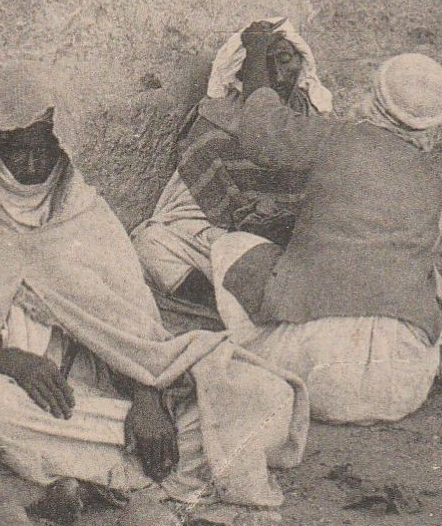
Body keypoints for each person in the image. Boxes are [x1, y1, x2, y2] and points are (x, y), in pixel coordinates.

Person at [0, 66, 310, 526]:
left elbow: (137, 331)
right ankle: (143, 470)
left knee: (263, 395)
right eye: (14, 149)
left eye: (43, 148)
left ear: (63, 146)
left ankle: (86, 470)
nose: (31, 165)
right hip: (30, 402)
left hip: (107, 394)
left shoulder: (87, 218)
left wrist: (147, 397)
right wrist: (11, 361)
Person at [207, 52, 442, 425]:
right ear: (435, 124)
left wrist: (255, 58)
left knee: (231, 245)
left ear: (374, 99)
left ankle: (224, 338)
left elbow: (261, 132)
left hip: (315, 375)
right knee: (420, 274)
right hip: (403, 386)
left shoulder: (335, 139)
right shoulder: (433, 186)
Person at [131, 17, 332, 312]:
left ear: (302, 64)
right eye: (264, 65)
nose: (277, 73)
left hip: (295, 247)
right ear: (244, 71)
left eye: (286, 60)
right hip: (238, 242)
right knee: (151, 242)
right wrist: (245, 220)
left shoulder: (314, 121)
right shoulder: (215, 124)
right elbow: (183, 211)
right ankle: (221, 307)